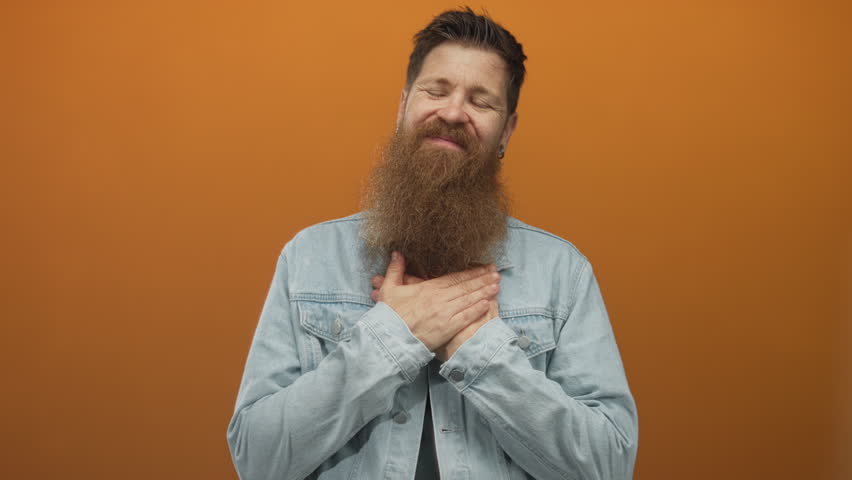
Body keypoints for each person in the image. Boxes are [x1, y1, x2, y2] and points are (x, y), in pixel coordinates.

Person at [227, 7, 638, 480]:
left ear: (506, 131)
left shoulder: (564, 273)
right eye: (436, 90)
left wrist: (478, 350)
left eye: (481, 101)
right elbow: (256, 460)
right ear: (403, 106)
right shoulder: (308, 257)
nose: (452, 112)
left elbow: (609, 466)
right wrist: (394, 339)